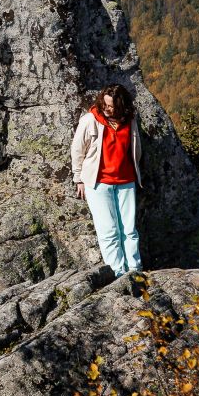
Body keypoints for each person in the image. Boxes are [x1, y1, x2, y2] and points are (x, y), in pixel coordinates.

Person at [71, 83, 143, 276]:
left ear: (122, 105)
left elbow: (135, 150)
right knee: (109, 231)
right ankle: (119, 274)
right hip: (98, 183)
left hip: (126, 181)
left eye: (111, 106)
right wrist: (78, 178)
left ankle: (135, 271)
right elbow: (77, 150)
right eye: (105, 104)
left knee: (129, 230)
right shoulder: (90, 120)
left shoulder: (130, 121)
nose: (107, 108)